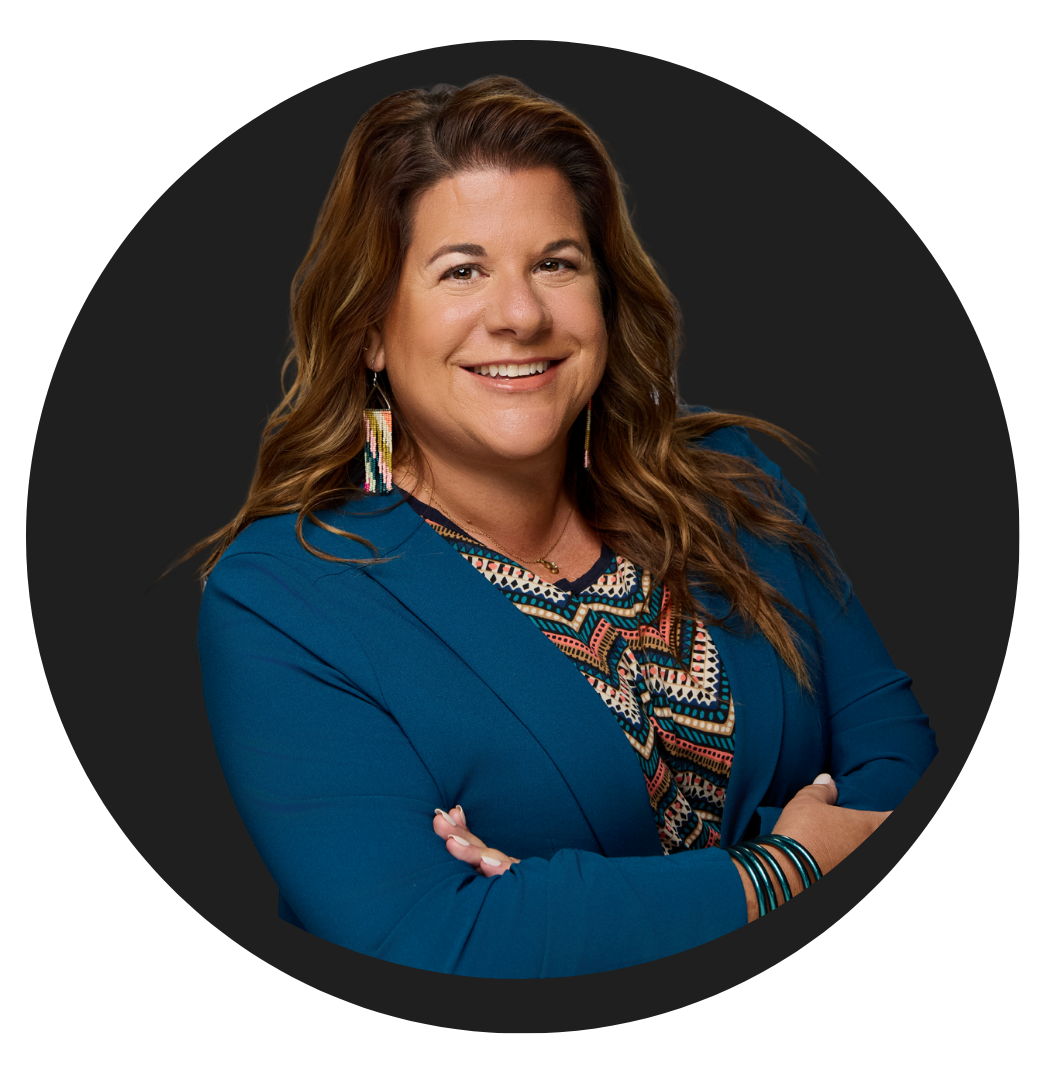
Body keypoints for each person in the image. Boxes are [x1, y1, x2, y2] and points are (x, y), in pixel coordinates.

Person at [195, 76, 937, 978]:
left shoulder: (733, 487)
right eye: (461, 270)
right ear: (370, 330)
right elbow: (430, 941)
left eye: (556, 262)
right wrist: (790, 865)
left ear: (603, 294)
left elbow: (913, 776)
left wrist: (552, 904)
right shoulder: (284, 594)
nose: (520, 314)